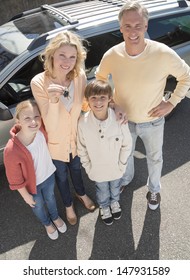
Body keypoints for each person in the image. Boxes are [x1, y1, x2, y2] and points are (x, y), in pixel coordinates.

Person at [96, 0, 190, 210]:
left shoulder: (162, 53)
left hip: (153, 121)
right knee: (125, 155)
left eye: (138, 25)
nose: (133, 31)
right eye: (128, 26)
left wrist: (172, 103)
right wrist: (112, 103)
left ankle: (154, 189)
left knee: (155, 158)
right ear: (120, 28)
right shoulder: (112, 55)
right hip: (123, 121)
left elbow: (187, 76)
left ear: (146, 26)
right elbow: (100, 80)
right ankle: (126, 180)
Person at [31, 31, 95, 226]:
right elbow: (49, 122)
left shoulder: (79, 76)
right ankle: (68, 205)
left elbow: (84, 106)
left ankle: (81, 193)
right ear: (52, 55)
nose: (67, 61)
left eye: (72, 57)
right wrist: (52, 101)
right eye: (62, 55)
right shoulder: (39, 82)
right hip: (55, 144)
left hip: (75, 140)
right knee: (61, 176)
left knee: (76, 169)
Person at [3, 100, 67, 240]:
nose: (33, 121)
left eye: (36, 116)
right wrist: (25, 195)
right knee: (38, 206)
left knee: (50, 198)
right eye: (27, 118)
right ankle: (47, 223)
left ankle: (55, 217)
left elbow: (55, 116)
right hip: (32, 186)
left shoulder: (40, 130)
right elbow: (14, 178)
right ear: (18, 121)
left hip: (48, 176)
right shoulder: (12, 149)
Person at [77, 80, 132, 225]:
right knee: (102, 190)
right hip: (97, 170)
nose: (98, 102)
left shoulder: (118, 118)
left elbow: (127, 144)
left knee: (115, 187)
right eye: (93, 98)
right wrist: (88, 167)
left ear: (109, 99)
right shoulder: (83, 123)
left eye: (102, 97)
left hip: (116, 167)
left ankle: (114, 203)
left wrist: (122, 164)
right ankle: (104, 206)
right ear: (87, 100)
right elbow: (81, 148)